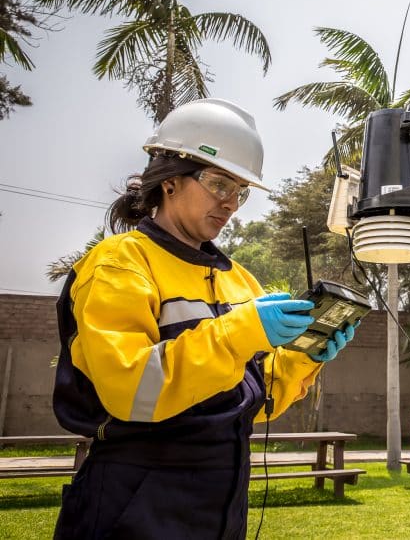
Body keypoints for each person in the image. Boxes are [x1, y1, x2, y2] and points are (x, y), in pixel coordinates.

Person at [51, 98, 356, 539]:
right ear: (170, 180)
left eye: (240, 191)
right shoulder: (119, 263)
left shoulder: (240, 281)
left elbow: (252, 403)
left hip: (222, 499)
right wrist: (240, 333)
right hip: (135, 496)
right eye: (219, 184)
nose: (231, 203)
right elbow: (132, 391)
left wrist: (303, 357)